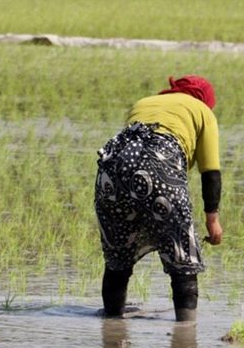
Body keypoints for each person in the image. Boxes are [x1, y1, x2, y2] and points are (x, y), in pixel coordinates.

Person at [95, 74, 223, 322]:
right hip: (160, 162)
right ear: (206, 100)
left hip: (112, 165)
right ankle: (186, 332)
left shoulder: (144, 102)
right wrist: (212, 220)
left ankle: (111, 323)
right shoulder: (203, 112)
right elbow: (211, 171)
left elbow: (134, 147)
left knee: (117, 258)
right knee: (182, 255)